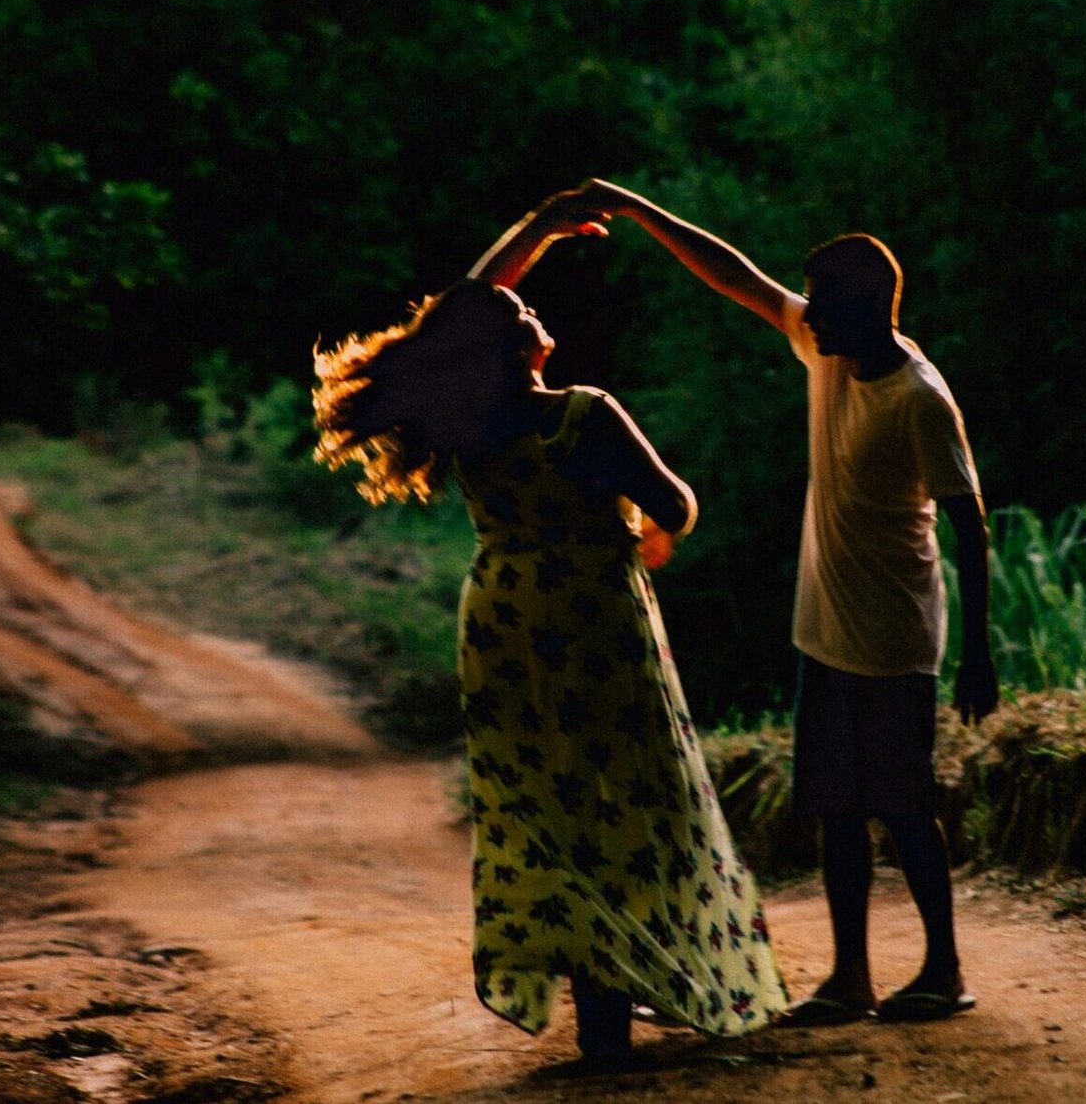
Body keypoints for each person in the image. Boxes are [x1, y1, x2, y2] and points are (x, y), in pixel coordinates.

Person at [311, 193, 788, 1070]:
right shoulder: (585, 413)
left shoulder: (465, 425)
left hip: (504, 619)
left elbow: (463, 312)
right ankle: (636, 979)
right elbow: (676, 501)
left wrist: (540, 228)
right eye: (524, 308)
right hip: (593, 614)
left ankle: (598, 1000)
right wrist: (653, 532)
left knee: (549, 806)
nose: (532, 305)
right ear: (521, 347)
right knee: (633, 793)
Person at [565, 178, 1000, 1025]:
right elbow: (735, 277)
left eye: (826, 304)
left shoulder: (919, 398)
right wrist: (644, 213)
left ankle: (943, 969)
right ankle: (849, 979)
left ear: (870, 307)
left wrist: (978, 650)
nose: (809, 316)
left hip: (894, 636)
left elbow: (970, 526)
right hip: (824, 629)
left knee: (904, 806)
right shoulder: (826, 349)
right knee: (836, 807)